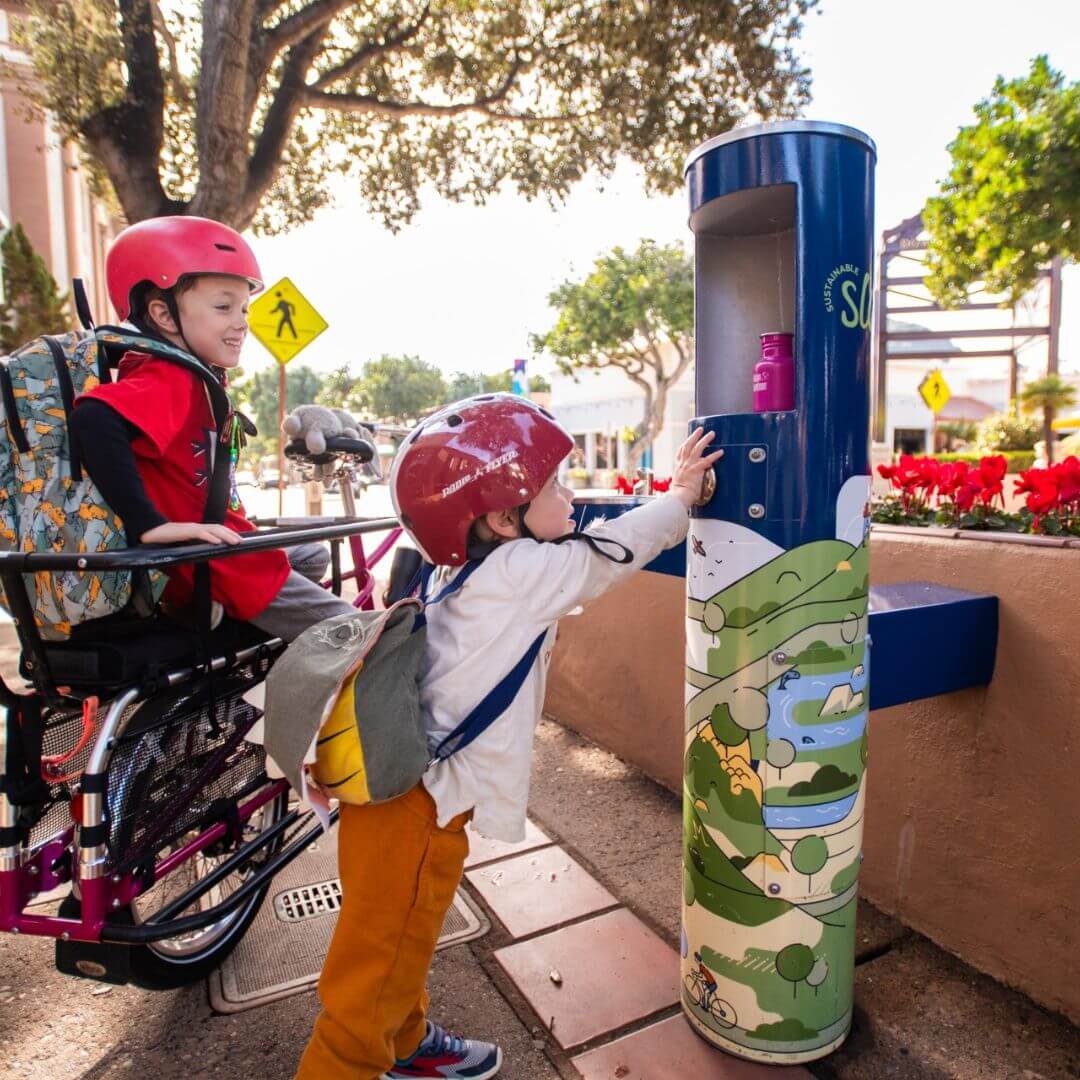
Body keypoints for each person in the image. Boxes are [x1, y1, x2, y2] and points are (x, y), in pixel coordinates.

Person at [296, 394, 723, 1079]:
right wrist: (679, 498)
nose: (572, 493)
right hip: (413, 810)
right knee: (369, 974)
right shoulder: (521, 573)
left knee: (403, 940)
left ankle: (404, 1044)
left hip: (412, 799)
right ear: (500, 516)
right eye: (553, 485)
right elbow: (611, 553)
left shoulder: (464, 565)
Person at [69, 215, 353, 640]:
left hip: (220, 552)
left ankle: (219, 618)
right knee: (369, 634)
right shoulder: (170, 377)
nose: (241, 323)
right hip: (220, 565)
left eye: (244, 309)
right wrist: (150, 525)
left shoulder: (190, 375)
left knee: (310, 553)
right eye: (223, 307)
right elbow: (94, 416)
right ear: (163, 314)